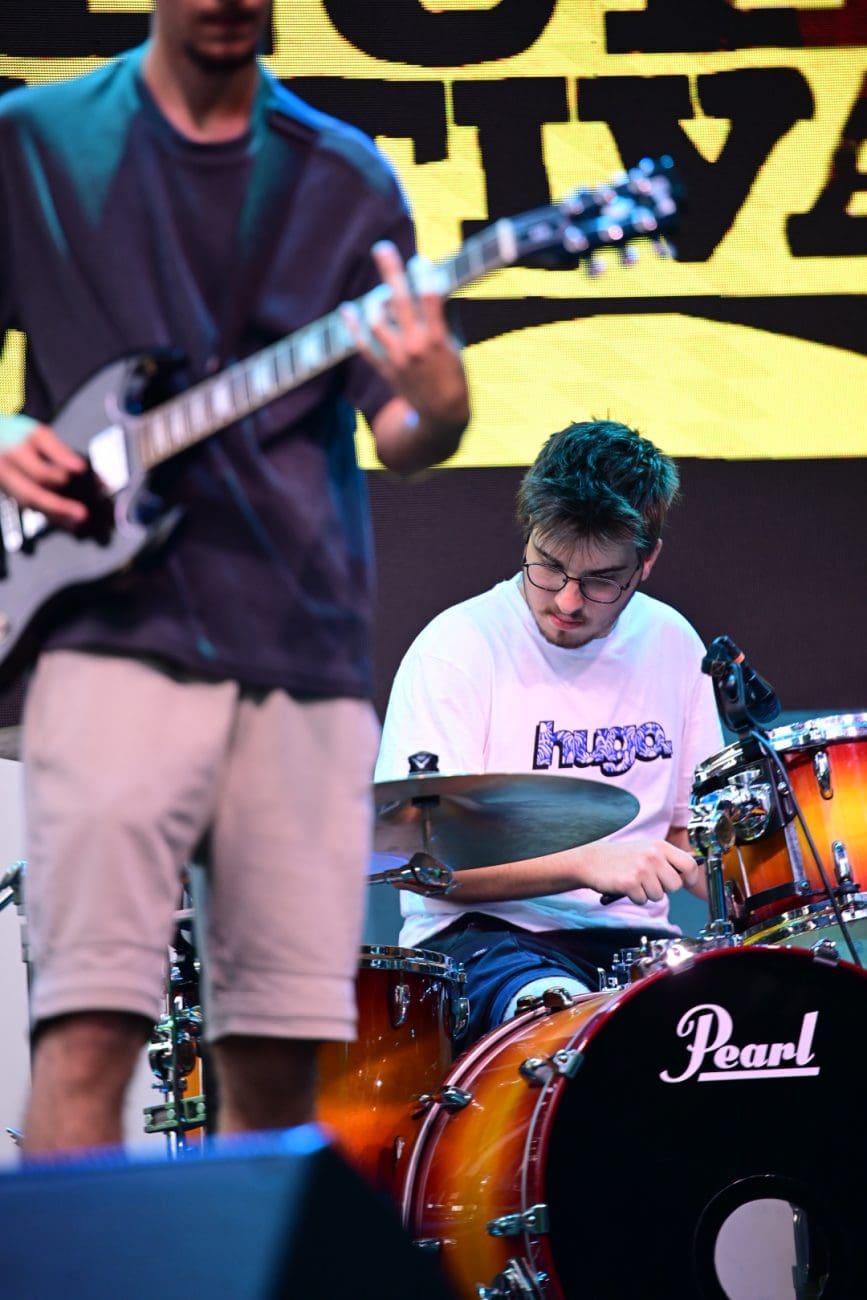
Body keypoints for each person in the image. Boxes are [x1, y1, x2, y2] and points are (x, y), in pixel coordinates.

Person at [0, 0, 469, 1154]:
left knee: (276, 1062)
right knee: (85, 1034)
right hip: (107, 641)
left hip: (301, 659)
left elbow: (403, 430)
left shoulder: (344, 178)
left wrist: (440, 403)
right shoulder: (38, 143)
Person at [376, 420, 723, 1044]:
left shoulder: (674, 642)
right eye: (550, 567)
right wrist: (587, 864)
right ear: (529, 534)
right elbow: (423, 864)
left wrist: (758, 875)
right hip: (484, 943)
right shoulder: (456, 647)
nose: (566, 601)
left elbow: (686, 836)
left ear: (646, 562)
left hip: (639, 947)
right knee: (567, 1031)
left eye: (599, 581)